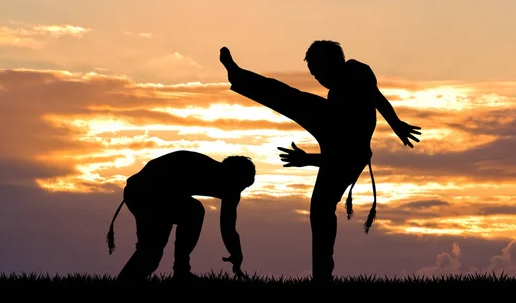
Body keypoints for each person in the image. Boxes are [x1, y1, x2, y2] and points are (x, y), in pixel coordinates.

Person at [219, 42, 421, 282]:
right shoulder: (338, 89)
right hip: (336, 136)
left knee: (321, 208)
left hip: (347, 149)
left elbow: (371, 107)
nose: (316, 78)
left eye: (317, 71)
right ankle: (238, 75)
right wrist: (395, 124)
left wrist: (396, 124)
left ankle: (322, 277)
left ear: (331, 62)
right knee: (291, 99)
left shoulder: (356, 71)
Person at [105, 150, 256, 282]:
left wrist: (236, 253)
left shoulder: (228, 185)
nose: (239, 191)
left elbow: (228, 226)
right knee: (192, 212)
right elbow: (226, 226)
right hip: (146, 191)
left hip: (147, 193)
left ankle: (174, 273)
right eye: (240, 184)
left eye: (245, 187)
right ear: (230, 175)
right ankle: (181, 272)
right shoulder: (203, 169)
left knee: (151, 254)